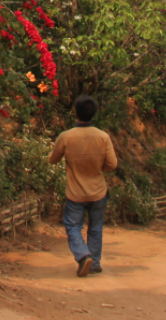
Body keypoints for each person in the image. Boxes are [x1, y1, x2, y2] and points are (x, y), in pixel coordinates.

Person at [49, 95, 118, 277]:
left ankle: (82, 255)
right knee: (95, 227)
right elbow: (112, 164)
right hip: (98, 191)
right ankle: (94, 262)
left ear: (75, 112)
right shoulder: (103, 137)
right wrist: (98, 167)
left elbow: (53, 159)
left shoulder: (66, 137)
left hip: (75, 193)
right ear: (94, 113)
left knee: (72, 226)